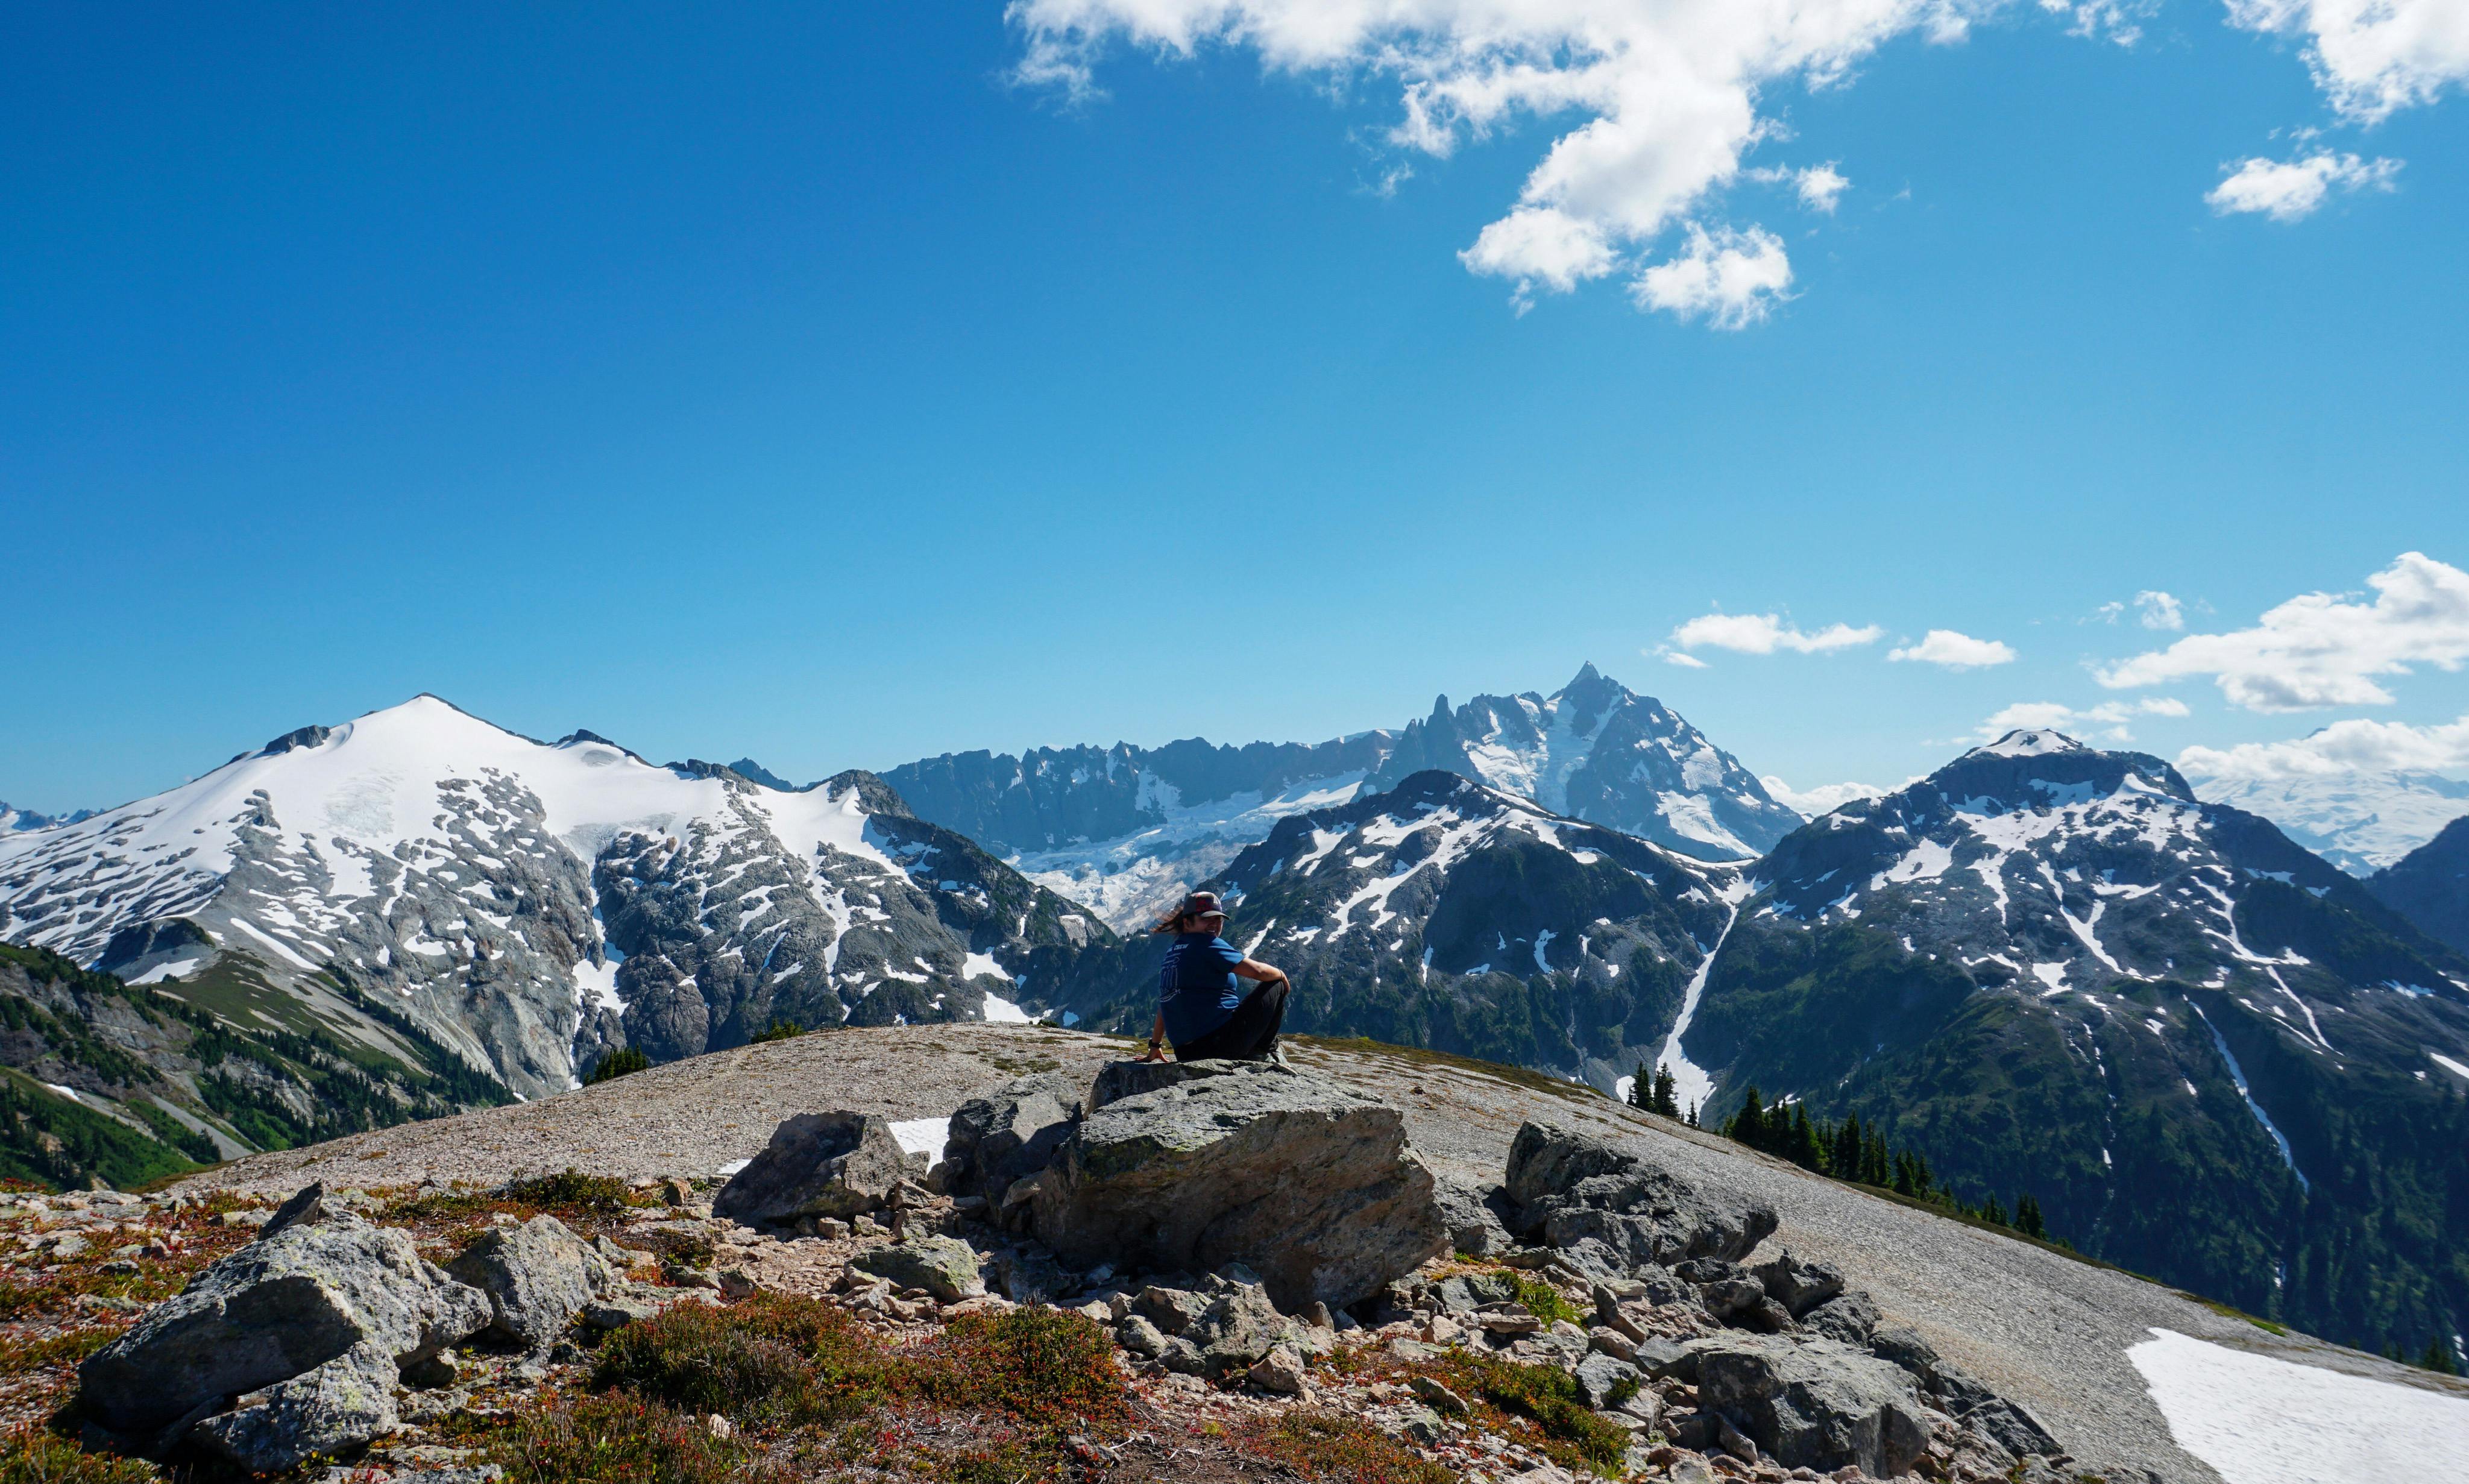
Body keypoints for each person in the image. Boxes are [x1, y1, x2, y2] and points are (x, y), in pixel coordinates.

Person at [1139, 890, 1290, 1063]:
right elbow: (1259, 972)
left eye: (1217, 919)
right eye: (1205, 919)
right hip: (1221, 1046)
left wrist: (1155, 1045)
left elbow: (1166, 1002)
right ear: (1187, 923)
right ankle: (1263, 1052)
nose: (1214, 924)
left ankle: (1258, 1050)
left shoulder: (1174, 952)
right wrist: (1282, 975)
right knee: (1276, 984)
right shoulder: (1206, 943)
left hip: (1186, 1053)